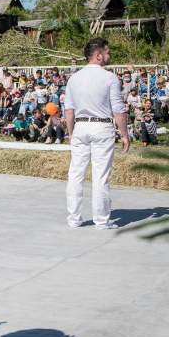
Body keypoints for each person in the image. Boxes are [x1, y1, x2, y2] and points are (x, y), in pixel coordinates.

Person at [64, 37, 129, 230]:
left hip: (80, 126)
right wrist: (124, 134)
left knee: (76, 173)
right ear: (99, 56)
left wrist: (71, 133)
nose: (109, 55)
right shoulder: (109, 78)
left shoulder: (74, 78)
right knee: (100, 175)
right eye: (107, 52)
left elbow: (69, 110)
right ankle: (101, 220)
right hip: (101, 126)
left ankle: (74, 219)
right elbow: (118, 109)